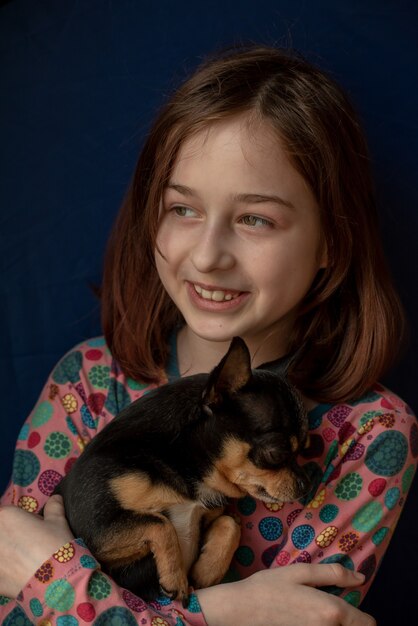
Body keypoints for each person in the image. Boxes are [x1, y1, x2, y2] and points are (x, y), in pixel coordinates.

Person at [0, 45, 416, 626]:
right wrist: (220, 613)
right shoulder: (86, 386)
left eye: (255, 219)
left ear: (332, 242)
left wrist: (47, 568)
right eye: (182, 209)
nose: (207, 255)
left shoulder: (372, 437)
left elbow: (28, 579)